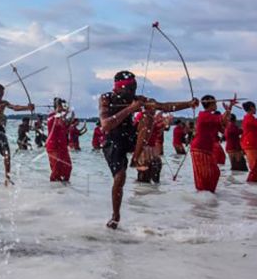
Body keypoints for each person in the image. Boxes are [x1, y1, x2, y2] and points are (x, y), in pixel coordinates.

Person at [99, 70, 197, 228]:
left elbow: (164, 106)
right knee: (120, 178)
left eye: (134, 89)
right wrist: (131, 109)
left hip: (130, 137)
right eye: (129, 89)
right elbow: (106, 125)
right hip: (113, 140)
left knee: (148, 115)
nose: (132, 93)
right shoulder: (106, 98)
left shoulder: (138, 99)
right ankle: (115, 216)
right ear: (118, 88)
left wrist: (188, 103)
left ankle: (136, 158)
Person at [190, 95, 235, 192]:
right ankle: (204, 196)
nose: (216, 105)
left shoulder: (211, 117)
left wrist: (229, 110)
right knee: (206, 175)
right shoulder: (204, 115)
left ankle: (208, 197)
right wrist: (228, 109)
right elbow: (222, 119)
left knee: (214, 173)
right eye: (214, 103)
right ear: (210, 104)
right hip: (200, 148)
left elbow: (224, 127)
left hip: (206, 149)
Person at [45, 97, 72, 182]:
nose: (64, 107)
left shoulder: (62, 118)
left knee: (68, 167)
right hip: (53, 146)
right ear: (58, 106)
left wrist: (70, 117)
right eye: (62, 106)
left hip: (62, 146)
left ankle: (64, 190)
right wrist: (64, 113)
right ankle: (53, 191)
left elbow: (65, 127)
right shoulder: (51, 116)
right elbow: (57, 122)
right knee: (56, 170)